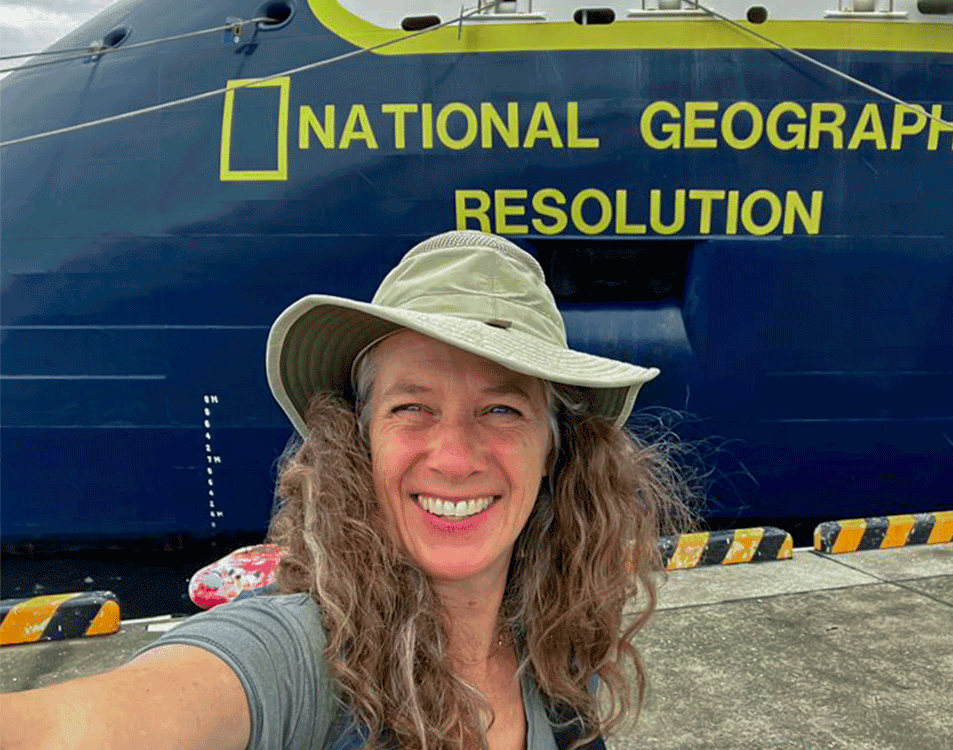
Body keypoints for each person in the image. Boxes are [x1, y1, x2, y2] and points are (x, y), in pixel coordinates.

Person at [1, 230, 692, 750]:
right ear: (360, 444)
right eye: (410, 406)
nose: (453, 457)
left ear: (554, 450)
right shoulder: (298, 659)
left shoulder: (565, 665)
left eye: (502, 409)